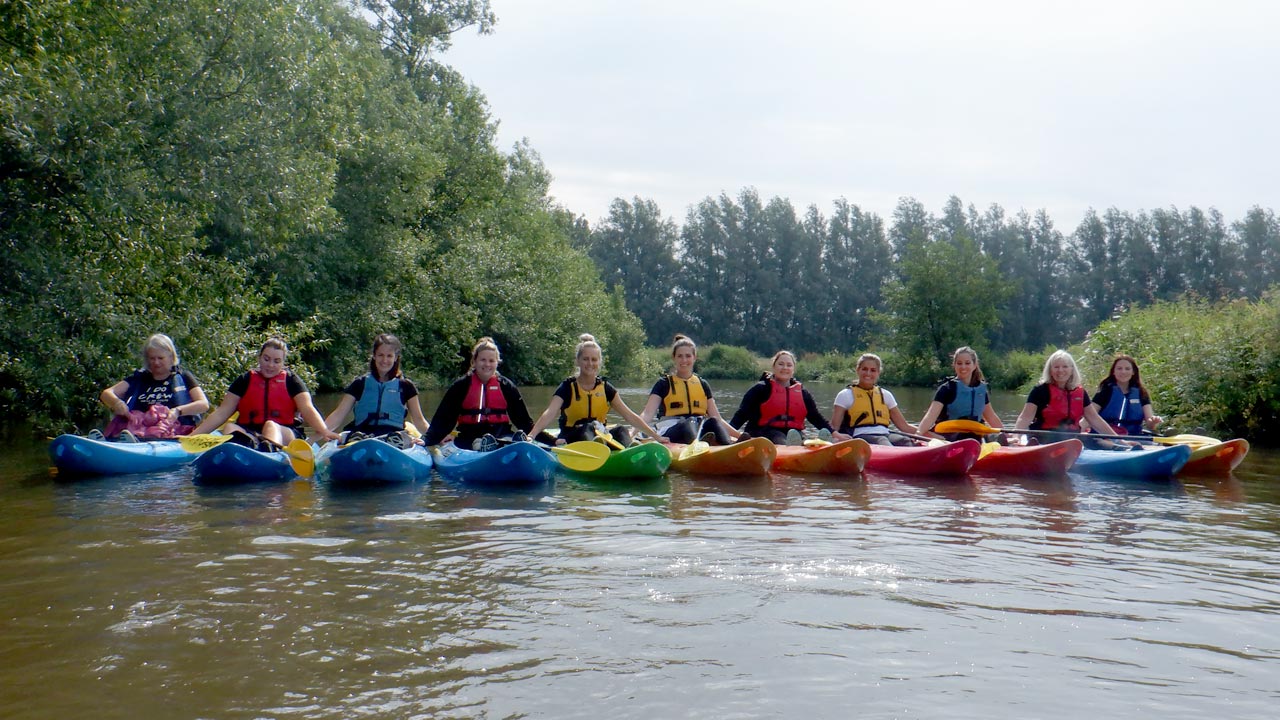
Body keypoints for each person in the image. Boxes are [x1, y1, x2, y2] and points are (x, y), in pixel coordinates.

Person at [191, 338, 339, 449]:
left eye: (276, 361)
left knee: (271, 425)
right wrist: (192, 436)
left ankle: (270, 451)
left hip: (285, 432)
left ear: (283, 364)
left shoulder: (292, 381)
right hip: (251, 432)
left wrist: (324, 431)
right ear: (259, 358)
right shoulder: (245, 380)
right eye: (266, 359)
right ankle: (248, 450)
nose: (270, 365)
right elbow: (222, 413)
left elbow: (307, 409)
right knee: (230, 429)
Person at [528, 334, 664, 446]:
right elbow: (550, 413)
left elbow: (629, 415)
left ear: (599, 362)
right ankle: (596, 447)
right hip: (573, 436)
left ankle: (629, 448)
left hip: (601, 434)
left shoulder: (605, 388)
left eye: (594, 360)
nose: (590, 364)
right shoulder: (567, 387)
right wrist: (531, 435)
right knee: (588, 428)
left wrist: (656, 436)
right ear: (578, 361)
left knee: (621, 429)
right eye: (585, 359)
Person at [421, 336, 536, 451]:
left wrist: (550, 440)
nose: (487, 364)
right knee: (478, 443)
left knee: (512, 439)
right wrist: (426, 440)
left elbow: (524, 421)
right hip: (469, 437)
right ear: (474, 361)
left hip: (501, 435)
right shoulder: (462, 386)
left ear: (497, 363)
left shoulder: (506, 386)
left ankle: (516, 445)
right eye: (483, 360)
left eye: (491, 361)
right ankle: (485, 447)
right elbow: (443, 420)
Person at [94, 333, 210, 441]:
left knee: (153, 432)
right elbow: (107, 393)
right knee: (124, 425)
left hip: (170, 429)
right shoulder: (139, 378)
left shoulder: (184, 377)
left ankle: (133, 442)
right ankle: (111, 441)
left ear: (171, 357)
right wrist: (116, 403)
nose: (156, 362)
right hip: (135, 426)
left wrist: (178, 411)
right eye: (152, 358)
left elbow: (203, 404)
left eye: (160, 358)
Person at [323, 334, 430, 447]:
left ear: (396, 357)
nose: (384, 360)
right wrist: (319, 433)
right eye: (380, 355)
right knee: (356, 438)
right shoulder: (359, 384)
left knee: (395, 439)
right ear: (374, 356)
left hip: (393, 436)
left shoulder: (406, 386)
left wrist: (435, 436)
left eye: (389, 356)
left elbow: (419, 420)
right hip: (362, 434)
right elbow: (338, 415)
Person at [728, 350, 850, 445]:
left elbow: (815, 417)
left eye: (789, 365)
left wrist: (835, 434)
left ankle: (813, 444)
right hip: (763, 432)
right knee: (780, 438)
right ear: (774, 367)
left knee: (802, 440)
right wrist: (728, 433)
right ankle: (792, 447)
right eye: (781, 364)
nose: (785, 368)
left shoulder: (803, 393)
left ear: (793, 370)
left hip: (793, 432)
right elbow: (742, 414)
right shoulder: (760, 389)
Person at [639, 334, 740, 445]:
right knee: (688, 422)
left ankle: (729, 446)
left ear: (694, 357)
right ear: (674, 358)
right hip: (671, 431)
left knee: (713, 421)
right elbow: (647, 414)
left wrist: (739, 436)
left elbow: (718, 419)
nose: (684, 360)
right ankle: (696, 447)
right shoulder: (663, 384)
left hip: (697, 429)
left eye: (688, 356)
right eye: (680, 356)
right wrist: (633, 432)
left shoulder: (702, 384)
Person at [1012, 349, 1126, 446]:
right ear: (1050, 370)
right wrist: (1016, 436)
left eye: (1065, 367)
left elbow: (1095, 419)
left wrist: (1118, 440)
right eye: (1056, 367)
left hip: (1071, 440)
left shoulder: (1080, 392)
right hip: (1045, 439)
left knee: (1097, 441)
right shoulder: (1040, 391)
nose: (1060, 371)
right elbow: (1025, 417)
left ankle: (1121, 448)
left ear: (1071, 370)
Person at [916, 346, 1004, 441]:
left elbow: (992, 418)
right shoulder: (947, 389)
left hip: (975, 435)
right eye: (959, 363)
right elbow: (930, 416)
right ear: (954, 365)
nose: (963, 367)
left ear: (974, 365)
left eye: (967, 363)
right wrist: (918, 434)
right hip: (949, 436)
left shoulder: (981, 390)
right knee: (968, 438)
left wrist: (1006, 435)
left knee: (999, 438)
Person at [830, 353, 919, 446]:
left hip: (885, 433)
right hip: (859, 436)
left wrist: (929, 434)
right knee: (883, 442)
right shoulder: (845, 395)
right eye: (864, 369)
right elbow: (834, 427)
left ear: (878, 373)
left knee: (906, 441)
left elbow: (904, 427)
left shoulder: (886, 395)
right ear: (857, 370)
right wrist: (836, 439)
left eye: (873, 370)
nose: (868, 373)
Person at [1087, 354, 1163, 436]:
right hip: (1107, 436)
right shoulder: (1105, 391)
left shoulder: (1141, 392)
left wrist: (1153, 421)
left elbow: (1150, 425)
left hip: (1134, 436)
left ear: (1133, 372)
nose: (1123, 372)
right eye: (1119, 368)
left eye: (1127, 369)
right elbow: (1090, 416)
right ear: (1113, 372)